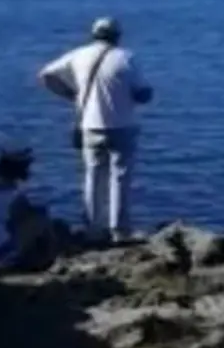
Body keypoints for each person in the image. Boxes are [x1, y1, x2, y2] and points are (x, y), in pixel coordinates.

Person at [38, 16, 153, 242]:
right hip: (122, 126)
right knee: (120, 178)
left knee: (93, 177)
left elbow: (46, 75)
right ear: (117, 37)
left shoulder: (78, 55)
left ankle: (93, 229)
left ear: (93, 34)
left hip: (90, 126)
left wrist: (70, 95)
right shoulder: (126, 58)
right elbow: (143, 93)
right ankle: (119, 230)